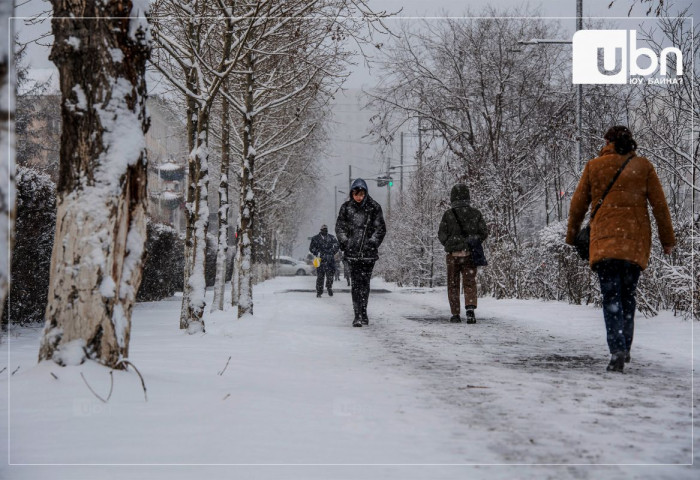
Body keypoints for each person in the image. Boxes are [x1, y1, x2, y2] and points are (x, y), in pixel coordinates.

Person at [566, 125, 675, 373]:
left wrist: (572, 237)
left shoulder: (594, 166)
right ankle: (625, 346)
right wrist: (667, 240)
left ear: (607, 141)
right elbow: (660, 206)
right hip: (633, 245)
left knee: (611, 297)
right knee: (628, 296)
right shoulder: (643, 166)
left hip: (604, 243)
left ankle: (616, 348)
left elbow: (577, 205)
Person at [336, 178, 386, 327]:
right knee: (356, 284)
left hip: (368, 254)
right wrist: (345, 242)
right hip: (352, 253)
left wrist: (372, 242)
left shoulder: (374, 207)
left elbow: (381, 228)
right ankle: (357, 314)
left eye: (361, 194)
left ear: (365, 193)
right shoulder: (346, 208)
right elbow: (340, 227)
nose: (359, 197)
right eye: (356, 194)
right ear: (352, 193)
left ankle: (363, 310)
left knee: (365, 283)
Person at [438, 184, 488, 324]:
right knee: (469, 282)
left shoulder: (448, 214)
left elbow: (441, 234)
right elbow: (484, 232)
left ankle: (455, 314)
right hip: (469, 255)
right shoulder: (475, 213)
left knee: (453, 284)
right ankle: (470, 310)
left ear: (452, 197)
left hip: (453, 256)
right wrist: (473, 241)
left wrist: (449, 244)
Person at [309, 224, 340, 297]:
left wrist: (331, 252)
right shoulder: (315, 238)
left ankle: (329, 287)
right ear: (321, 230)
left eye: (326, 229)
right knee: (320, 277)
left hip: (330, 260)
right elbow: (311, 248)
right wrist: (317, 252)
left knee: (330, 276)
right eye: (323, 229)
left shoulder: (332, 237)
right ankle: (319, 292)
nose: (325, 231)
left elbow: (336, 245)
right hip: (320, 260)